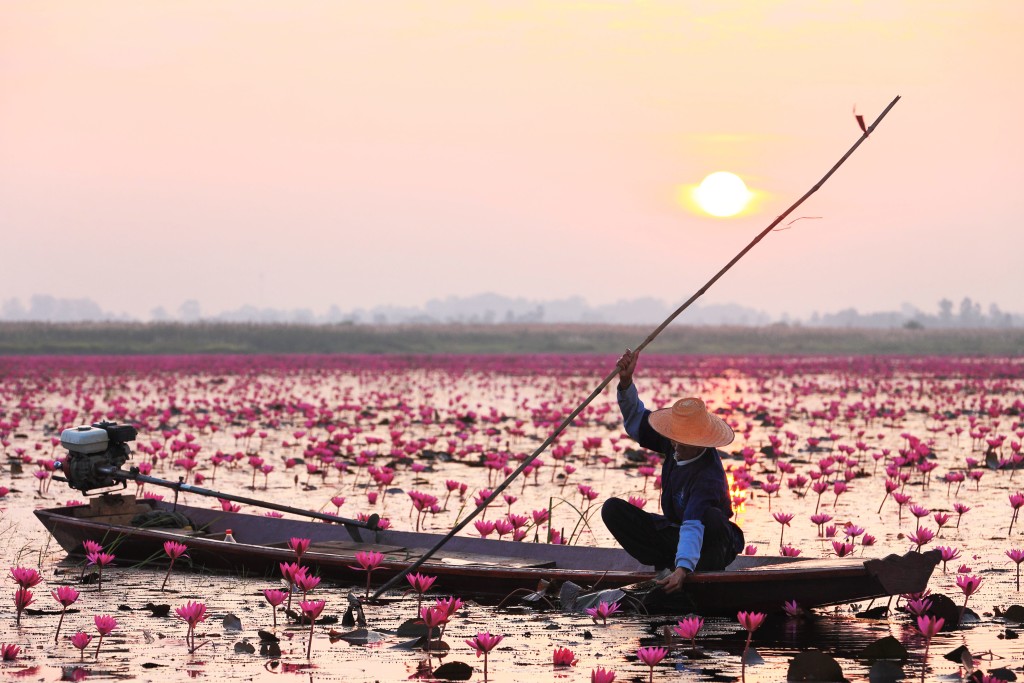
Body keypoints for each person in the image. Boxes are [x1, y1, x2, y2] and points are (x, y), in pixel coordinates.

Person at [602, 349, 744, 594]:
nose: (676, 446)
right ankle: (669, 565)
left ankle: (687, 572)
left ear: (701, 442)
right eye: (674, 440)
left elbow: (693, 524)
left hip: (712, 541)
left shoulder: (707, 477)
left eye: (684, 443)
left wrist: (682, 570)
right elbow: (637, 421)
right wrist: (626, 382)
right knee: (612, 509)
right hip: (676, 532)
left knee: (710, 518)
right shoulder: (674, 441)